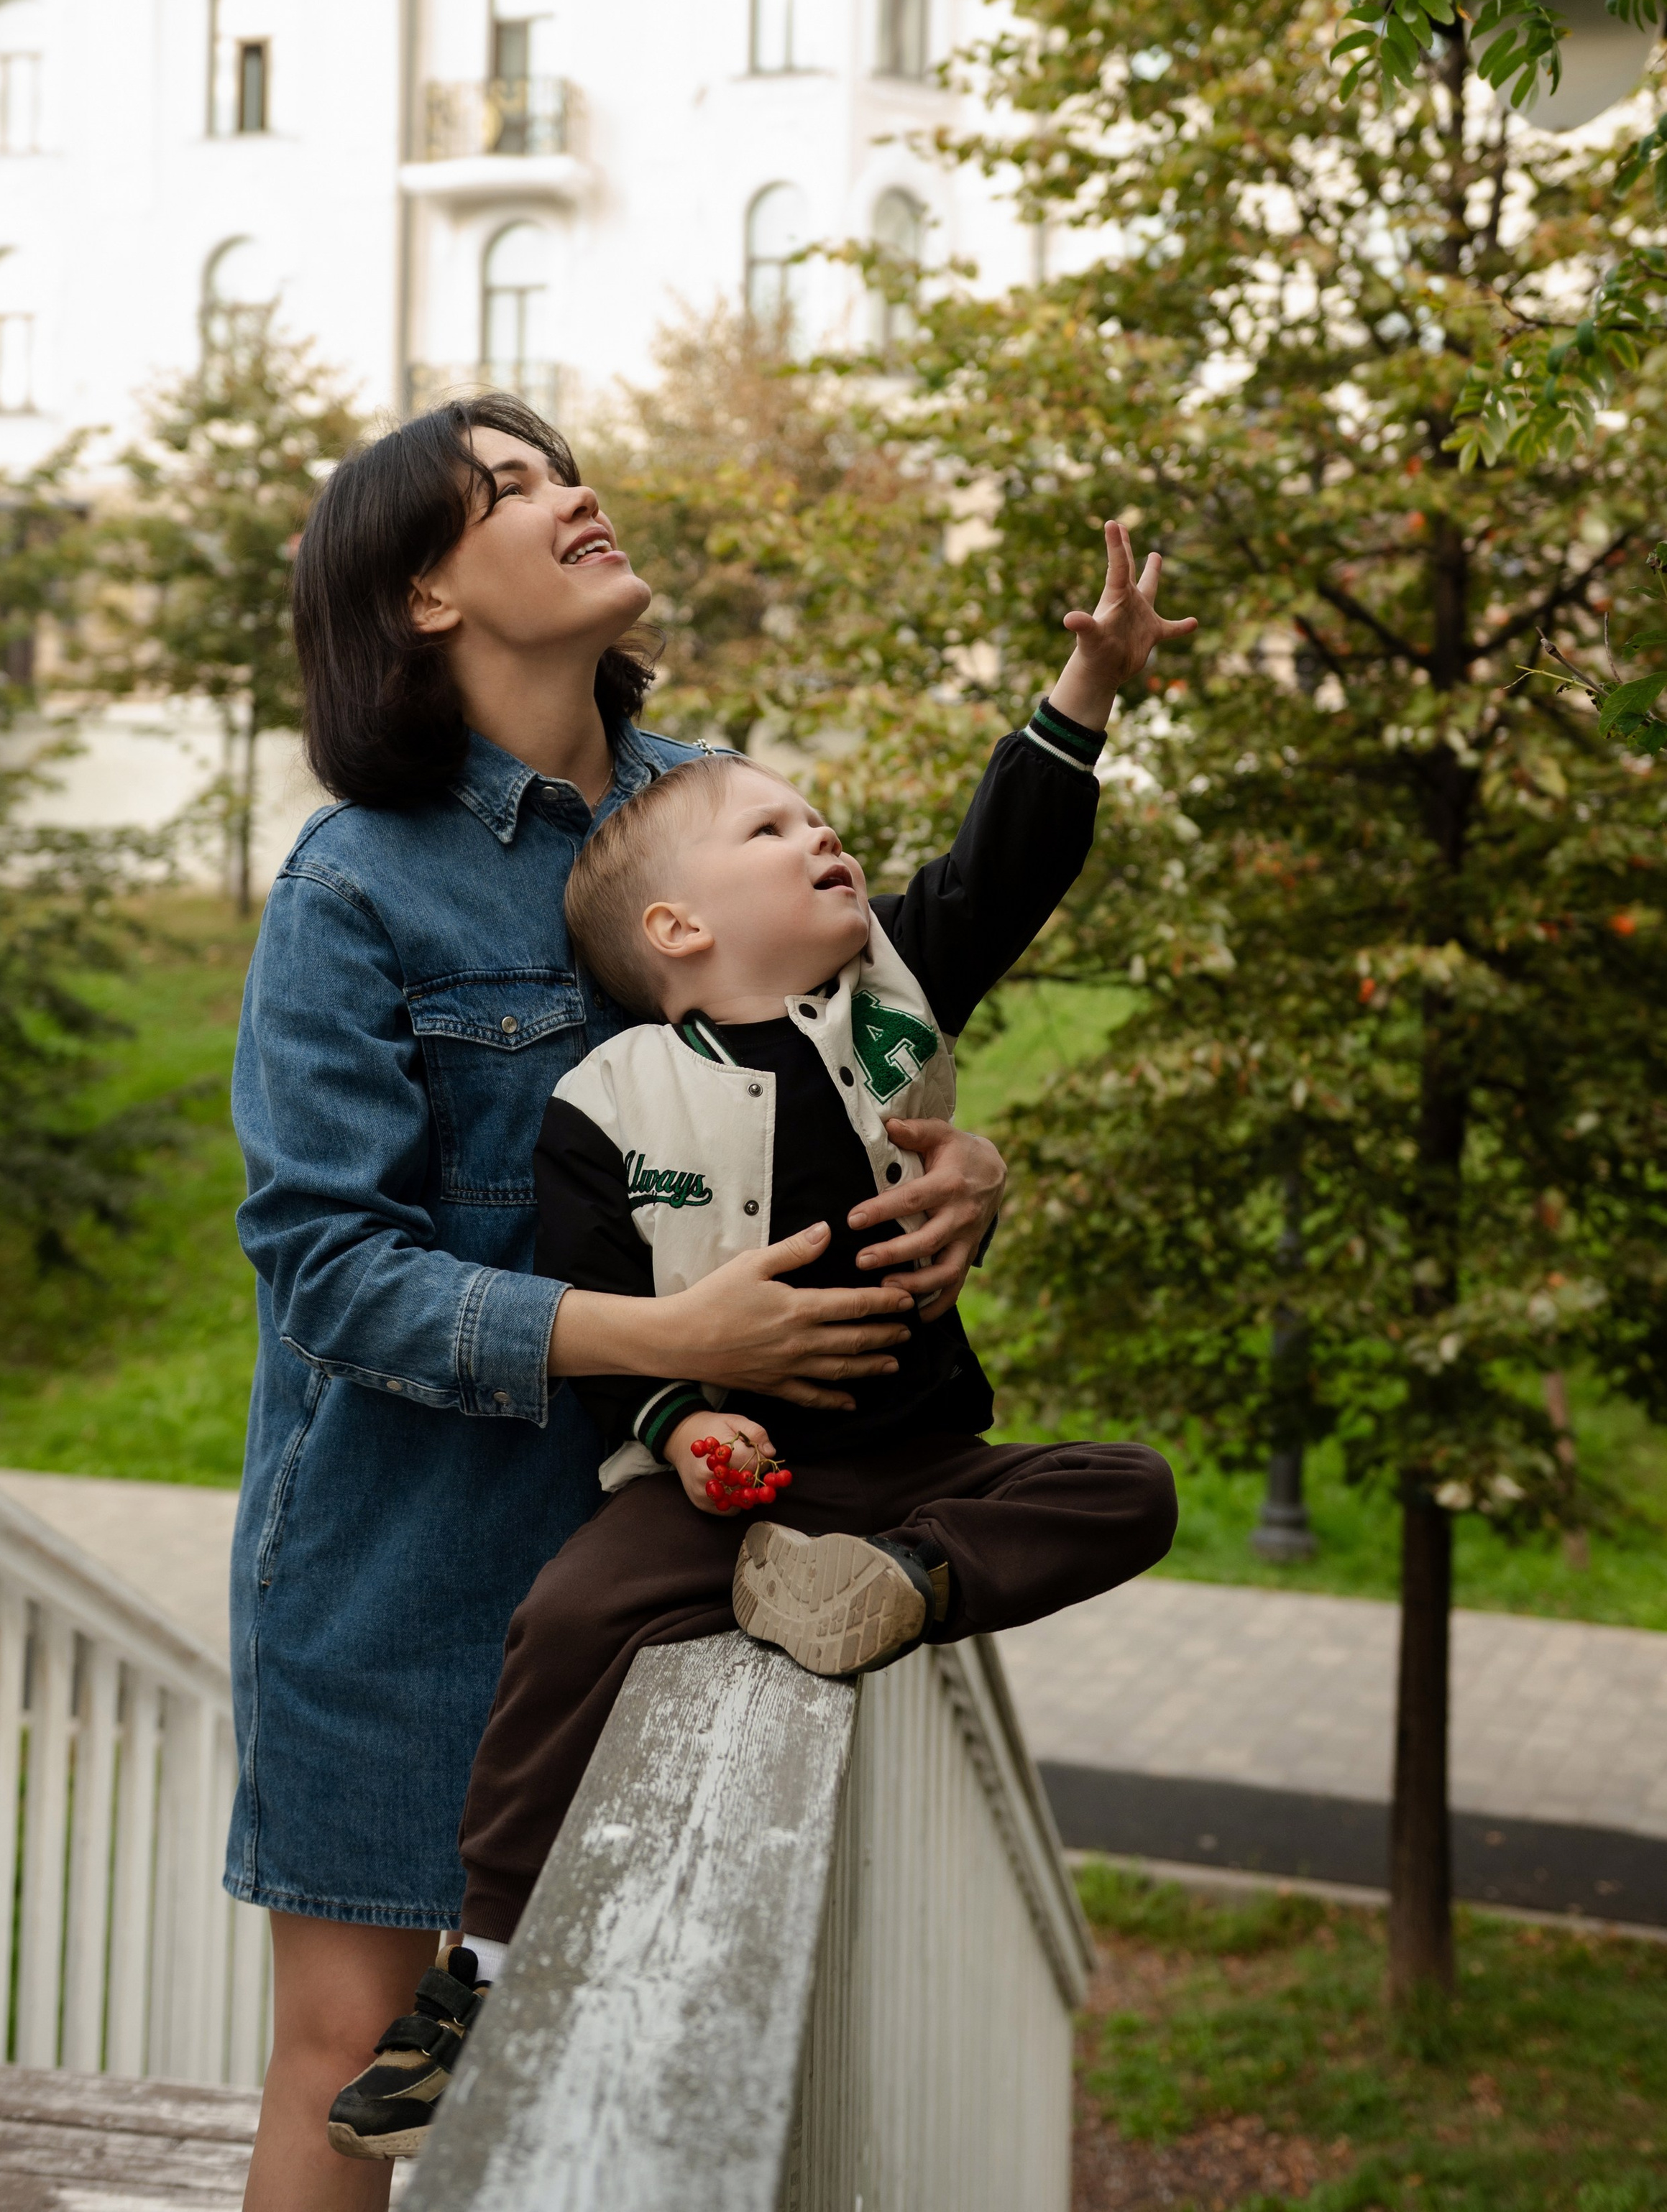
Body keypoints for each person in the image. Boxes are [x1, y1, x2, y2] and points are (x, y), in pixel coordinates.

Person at [227, 395, 1011, 2210]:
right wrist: (666, 1341)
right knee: (352, 2053)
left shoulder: (711, 796)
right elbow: (325, 1267)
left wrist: (962, 1161)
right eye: (503, 489)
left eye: (560, 466)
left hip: (688, 1530)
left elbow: (863, 1055)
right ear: (423, 595)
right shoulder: (353, 885)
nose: (569, 493)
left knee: (617, 2044)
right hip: (402, 1557)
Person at [327, 521, 1189, 2166]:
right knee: (566, 1613)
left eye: (814, 818)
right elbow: (597, 1301)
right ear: (673, 928)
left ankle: (897, 1584)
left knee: (1125, 1486)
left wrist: (1083, 688)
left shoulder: (888, 1012)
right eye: (772, 828)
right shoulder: (608, 1103)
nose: (819, 833)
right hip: (731, 1483)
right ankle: (479, 1970)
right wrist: (682, 1419)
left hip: (915, 1462)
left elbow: (1002, 865)